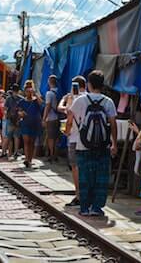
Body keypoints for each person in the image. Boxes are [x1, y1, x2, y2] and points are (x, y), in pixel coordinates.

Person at [66, 70, 117, 216]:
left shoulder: (80, 100)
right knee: (100, 176)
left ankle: (84, 207)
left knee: (84, 176)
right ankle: (96, 207)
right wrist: (113, 144)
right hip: (103, 145)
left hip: (83, 145)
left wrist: (68, 131)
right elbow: (112, 125)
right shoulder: (108, 102)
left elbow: (70, 119)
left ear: (88, 84)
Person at [58, 75, 86, 207]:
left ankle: (79, 195)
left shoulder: (72, 99)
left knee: (75, 167)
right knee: (86, 167)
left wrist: (67, 131)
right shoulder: (90, 98)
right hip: (89, 139)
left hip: (75, 137)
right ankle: (88, 195)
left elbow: (65, 113)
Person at [17, 80, 43, 168]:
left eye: (30, 91)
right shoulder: (22, 101)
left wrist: (35, 93)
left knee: (32, 142)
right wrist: (21, 113)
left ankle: (30, 159)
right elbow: (19, 112)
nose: (28, 93)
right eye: (27, 91)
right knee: (26, 141)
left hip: (35, 123)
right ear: (25, 91)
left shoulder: (36, 101)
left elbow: (41, 104)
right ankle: (27, 159)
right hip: (25, 123)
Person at [2, 84, 24, 160]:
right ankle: (15, 152)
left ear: (12, 90)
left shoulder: (8, 99)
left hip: (10, 119)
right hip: (18, 120)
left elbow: (4, 109)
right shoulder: (21, 99)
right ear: (18, 91)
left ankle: (3, 152)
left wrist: (5, 116)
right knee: (16, 137)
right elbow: (22, 110)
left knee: (8, 136)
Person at [42, 75, 60, 163]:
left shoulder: (49, 93)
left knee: (50, 138)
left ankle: (51, 155)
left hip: (51, 118)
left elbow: (48, 106)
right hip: (59, 118)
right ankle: (55, 154)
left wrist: (44, 118)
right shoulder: (60, 92)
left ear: (49, 82)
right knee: (56, 138)